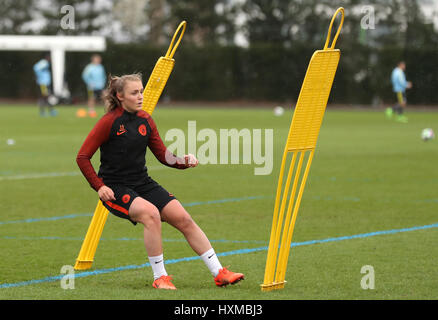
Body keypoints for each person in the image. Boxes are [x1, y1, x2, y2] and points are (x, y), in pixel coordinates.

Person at [76, 73, 244, 290]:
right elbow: (82, 157)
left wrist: (184, 161)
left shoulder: (145, 119)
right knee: (151, 214)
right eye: (134, 93)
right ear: (120, 96)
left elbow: (163, 155)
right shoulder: (108, 122)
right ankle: (160, 278)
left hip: (142, 183)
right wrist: (100, 187)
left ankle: (219, 272)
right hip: (116, 188)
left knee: (183, 218)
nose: (140, 96)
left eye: (141, 91)